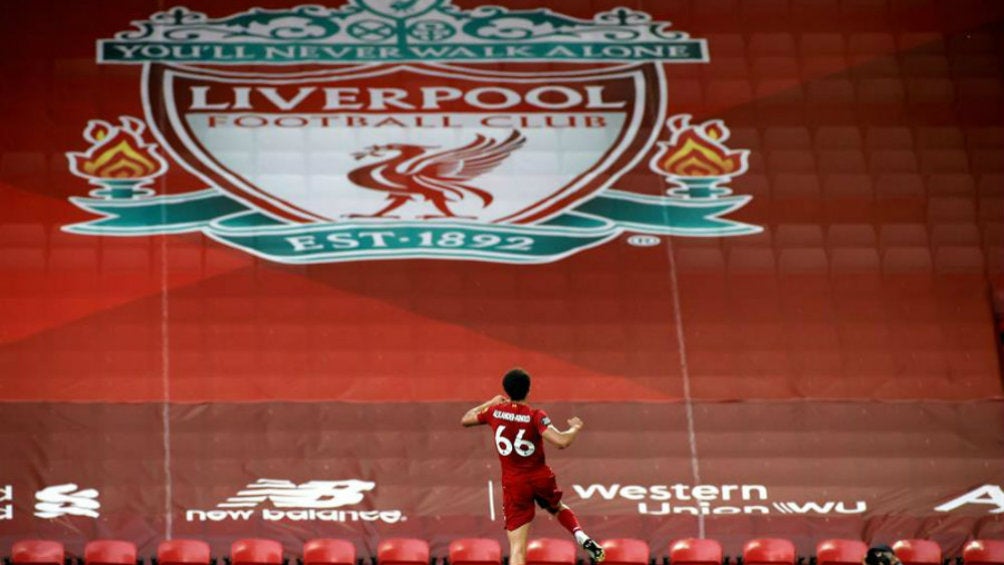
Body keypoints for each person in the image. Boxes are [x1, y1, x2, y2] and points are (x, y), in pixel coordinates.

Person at [461, 368, 606, 565]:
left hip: (514, 484)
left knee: (517, 550)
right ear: (528, 390)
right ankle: (579, 534)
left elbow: (466, 419)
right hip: (540, 478)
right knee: (556, 507)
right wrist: (574, 428)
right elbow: (561, 441)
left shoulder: (494, 412)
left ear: (506, 390)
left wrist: (490, 402)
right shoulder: (535, 416)